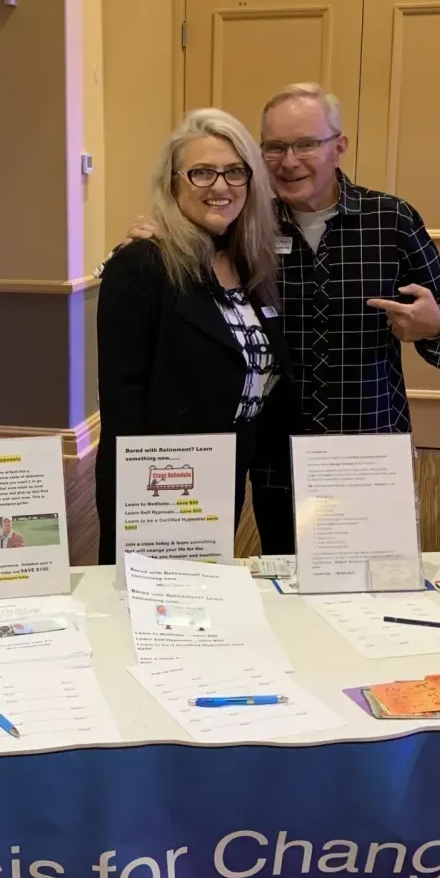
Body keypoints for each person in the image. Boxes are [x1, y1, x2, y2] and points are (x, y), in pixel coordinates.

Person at [123, 83, 440, 553]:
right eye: (275, 147)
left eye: (306, 144)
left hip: (366, 440)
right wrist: (156, 233)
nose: (289, 161)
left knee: (373, 576)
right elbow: (187, 269)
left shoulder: (392, 220)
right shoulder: (246, 225)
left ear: (338, 147)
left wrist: (436, 325)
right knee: (285, 573)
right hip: (276, 448)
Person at [95, 107, 293, 564]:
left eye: (234, 172)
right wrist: (138, 509)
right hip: (162, 482)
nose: (220, 186)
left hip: (226, 469)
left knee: (206, 604)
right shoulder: (142, 266)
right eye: (201, 172)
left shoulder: (248, 262)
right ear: (173, 183)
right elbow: (124, 403)